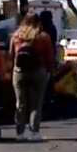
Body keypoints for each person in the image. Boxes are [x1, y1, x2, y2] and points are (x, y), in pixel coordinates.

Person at [9, 13, 55, 141]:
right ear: (38, 22)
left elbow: (12, 54)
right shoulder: (43, 37)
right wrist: (50, 72)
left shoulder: (16, 36)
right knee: (36, 103)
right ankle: (34, 132)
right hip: (38, 71)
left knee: (20, 102)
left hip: (19, 72)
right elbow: (49, 57)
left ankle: (20, 132)